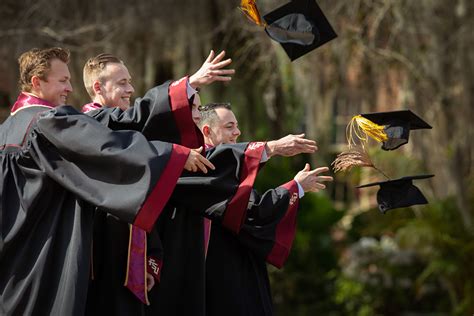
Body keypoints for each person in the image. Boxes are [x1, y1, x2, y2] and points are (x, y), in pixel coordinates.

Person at [0, 47, 215, 316]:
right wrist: (172, 154)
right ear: (36, 82)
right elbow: (108, 147)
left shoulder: (6, 130)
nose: (70, 87)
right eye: (63, 80)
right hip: (48, 251)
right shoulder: (47, 123)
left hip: (14, 260)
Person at [80, 52, 233, 315]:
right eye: (122, 83)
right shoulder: (88, 124)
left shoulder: (122, 126)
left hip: (131, 253)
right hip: (99, 249)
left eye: (130, 81)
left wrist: (149, 258)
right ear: (98, 87)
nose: (130, 89)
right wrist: (191, 83)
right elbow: (140, 122)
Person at [198, 102, 333, 316]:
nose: (238, 132)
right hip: (222, 272)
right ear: (207, 131)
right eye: (229, 126)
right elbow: (255, 213)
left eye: (237, 125)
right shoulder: (202, 169)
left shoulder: (225, 172)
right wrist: (295, 187)